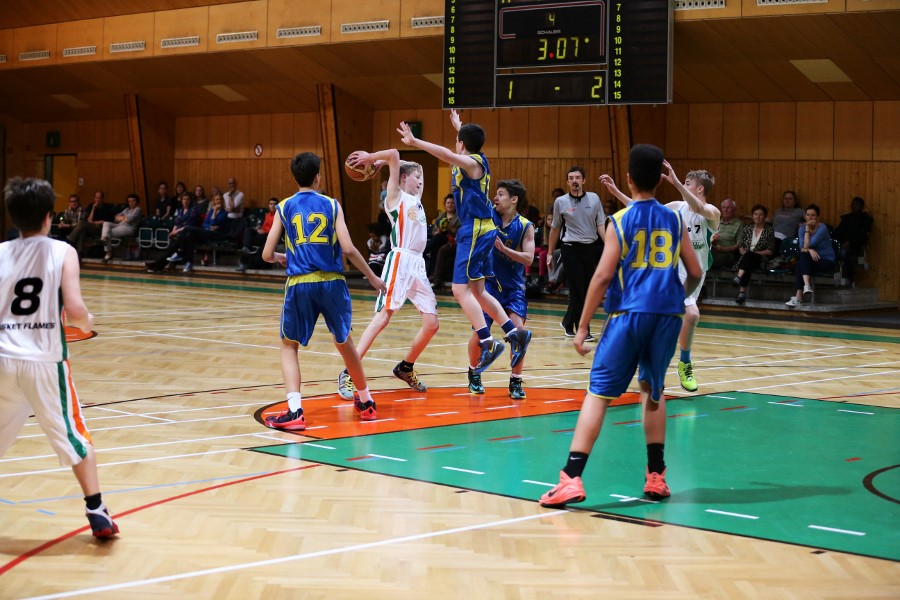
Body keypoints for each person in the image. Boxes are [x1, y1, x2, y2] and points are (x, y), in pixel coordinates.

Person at [538, 145, 702, 508]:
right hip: (666, 317)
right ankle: (656, 476)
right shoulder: (675, 219)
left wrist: (582, 326)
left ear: (628, 179)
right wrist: (677, 297)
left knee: (598, 394)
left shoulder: (622, 220)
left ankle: (571, 478)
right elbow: (695, 271)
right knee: (653, 391)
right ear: (661, 179)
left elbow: (602, 276)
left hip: (628, 315)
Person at [0, 177, 118, 539]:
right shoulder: (62, 251)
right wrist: (87, 321)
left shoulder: (1, 252)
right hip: (45, 360)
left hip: (3, 357)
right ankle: (96, 509)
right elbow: (76, 310)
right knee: (74, 435)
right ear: (49, 216)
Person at [398, 110, 532, 384]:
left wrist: (415, 142)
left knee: (460, 290)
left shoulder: (472, 162)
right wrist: (459, 127)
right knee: (479, 291)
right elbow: (458, 150)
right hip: (482, 228)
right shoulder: (475, 158)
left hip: (475, 229)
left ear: (462, 144)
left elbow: (448, 155)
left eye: (458, 140)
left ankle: (488, 341)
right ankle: (514, 332)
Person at [261, 152, 387, 430]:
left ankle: (295, 411)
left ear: (295, 177)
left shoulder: (284, 206)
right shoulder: (331, 204)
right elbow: (348, 249)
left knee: (289, 345)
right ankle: (366, 401)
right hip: (333, 283)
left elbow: (267, 254)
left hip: (300, 284)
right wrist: (372, 277)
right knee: (345, 343)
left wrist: (283, 257)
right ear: (318, 177)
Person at [602, 166, 719, 393]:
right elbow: (643, 210)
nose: (682, 186)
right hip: (672, 268)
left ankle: (643, 352)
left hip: (696, 272)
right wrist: (615, 191)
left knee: (671, 317)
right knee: (691, 315)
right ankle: (683, 363)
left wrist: (675, 181)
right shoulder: (676, 207)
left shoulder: (712, 212)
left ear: (700, 188)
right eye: (683, 183)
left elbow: (699, 207)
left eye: (687, 183)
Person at [336, 150, 440, 400]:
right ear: (403, 178)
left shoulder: (416, 199)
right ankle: (349, 372)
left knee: (432, 324)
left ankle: (405, 367)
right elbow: (394, 153)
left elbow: (406, 163)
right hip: (400, 260)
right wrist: (375, 159)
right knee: (383, 317)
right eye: (416, 178)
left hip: (418, 265)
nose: (421, 181)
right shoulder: (395, 197)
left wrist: (385, 162)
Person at [466, 179, 534, 398]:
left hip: (513, 289)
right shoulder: (489, 217)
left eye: (501, 194)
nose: (496, 198)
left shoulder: (525, 226)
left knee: (518, 333)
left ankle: (516, 381)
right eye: (495, 194)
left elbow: (529, 258)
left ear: (514, 199)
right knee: (479, 334)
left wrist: (504, 250)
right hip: (488, 287)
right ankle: (474, 373)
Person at [546, 166, 606, 339]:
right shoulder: (561, 202)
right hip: (570, 249)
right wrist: (550, 252)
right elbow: (555, 228)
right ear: (567, 182)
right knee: (577, 289)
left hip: (590, 248)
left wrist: (609, 244)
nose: (574, 181)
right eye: (571, 178)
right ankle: (583, 329)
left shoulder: (594, 198)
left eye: (578, 177)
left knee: (586, 290)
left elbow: (601, 224)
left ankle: (567, 322)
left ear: (583, 180)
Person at [786, 204, 835, 307]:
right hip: (810, 260)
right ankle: (806, 287)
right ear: (805, 216)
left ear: (817, 217)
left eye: (813, 215)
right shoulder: (801, 229)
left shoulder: (822, 228)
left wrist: (807, 229)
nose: (810, 217)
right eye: (808, 215)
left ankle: (799, 296)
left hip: (826, 260)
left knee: (800, 263)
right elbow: (801, 247)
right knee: (801, 261)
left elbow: (808, 245)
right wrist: (809, 250)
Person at [166, 193, 229, 273]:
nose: (219, 201)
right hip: (207, 232)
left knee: (187, 228)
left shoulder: (224, 212)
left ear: (223, 201)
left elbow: (213, 222)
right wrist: (210, 226)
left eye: (220, 199)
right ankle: (188, 262)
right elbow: (204, 224)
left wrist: (215, 211)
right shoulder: (211, 211)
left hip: (217, 234)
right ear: (214, 201)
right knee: (189, 235)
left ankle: (180, 253)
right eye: (217, 199)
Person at [732, 204, 777, 304]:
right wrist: (744, 252)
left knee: (749, 257)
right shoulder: (748, 228)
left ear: (765, 217)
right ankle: (741, 293)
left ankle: (739, 280)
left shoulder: (769, 230)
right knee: (748, 262)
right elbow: (741, 246)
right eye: (755, 214)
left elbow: (770, 250)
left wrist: (753, 253)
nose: (758, 216)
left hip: (760, 258)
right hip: (746, 258)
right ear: (752, 216)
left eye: (761, 214)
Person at [145, 191, 199, 273]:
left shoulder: (193, 210)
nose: (185, 201)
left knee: (172, 249)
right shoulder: (179, 210)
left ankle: (157, 266)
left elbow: (188, 226)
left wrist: (175, 232)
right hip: (179, 234)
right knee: (170, 250)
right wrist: (173, 231)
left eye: (187, 199)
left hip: (188, 234)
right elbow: (176, 223)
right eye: (184, 199)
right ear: (181, 200)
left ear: (190, 200)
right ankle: (157, 266)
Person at [833, 196, 873, 287]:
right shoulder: (847, 218)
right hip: (842, 243)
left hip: (856, 244)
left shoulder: (866, 220)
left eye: (856, 205)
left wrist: (850, 242)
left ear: (862, 206)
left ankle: (849, 278)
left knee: (845, 253)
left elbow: (863, 235)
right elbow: (837, 232)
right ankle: (834, 278)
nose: (854, 207)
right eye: (853, 205)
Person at [67, 190, 115, 258]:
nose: (98, 200)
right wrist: (93, 209)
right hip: (91, 227)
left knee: (82, 223)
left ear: (102, 198)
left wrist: (95, 222)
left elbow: (107, 221)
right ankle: (80, 252)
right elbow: (89, 220)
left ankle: (69, 241)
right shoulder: (91, 206)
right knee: (83, 230)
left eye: (100, 198)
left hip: (101, 229)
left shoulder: (107, 207)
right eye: (96, 198)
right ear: (94, 198)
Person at [236, 197, 277, 273]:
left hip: (270, 236)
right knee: (248, 230)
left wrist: (264, 231)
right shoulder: (267, 215)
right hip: (262, 234)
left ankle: (244, 262)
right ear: (268, 205)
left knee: (249, 241)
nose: (272, 205)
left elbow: (276, 229)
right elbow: (264, 226)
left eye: (274, 204)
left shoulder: (279, 216)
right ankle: (246, 248)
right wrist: (259, 228)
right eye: (271, 204)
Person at [424, 194, 460, 277]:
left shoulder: (458, 217)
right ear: (445, 204)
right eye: (448, 203)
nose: (450, 205)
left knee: (437, 239)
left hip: (451, 240)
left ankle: (424, 250)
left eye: (452, 203)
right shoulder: (441, 216)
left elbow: (459, 233)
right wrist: (437, 231)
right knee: (435, 245)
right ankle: (432, 274)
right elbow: (434, 232)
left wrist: (450, 228)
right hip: (440, 239)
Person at [100, 193, 142, 262]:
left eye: (133, 201)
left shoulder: (138, 209)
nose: (131, 203)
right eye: (129, 201)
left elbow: (129, 220)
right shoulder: (127, 209)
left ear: (137, 201)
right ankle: (104, 238)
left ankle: (108, 253)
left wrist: (122, 218)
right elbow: (116, 218)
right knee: (106, 223)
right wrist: (124, 218)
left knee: (107, 233)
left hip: (129, 228)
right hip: (120, 225)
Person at [711, 198, 744, 268]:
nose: (725, 210)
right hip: (713, 249)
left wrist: (723, 249)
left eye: (728, 208)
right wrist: (712, 238)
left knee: (708, 258)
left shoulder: (739, 224)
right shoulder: (717, 222)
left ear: (734, 210)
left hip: (728, 253)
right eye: (723, 207)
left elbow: (739, 245)